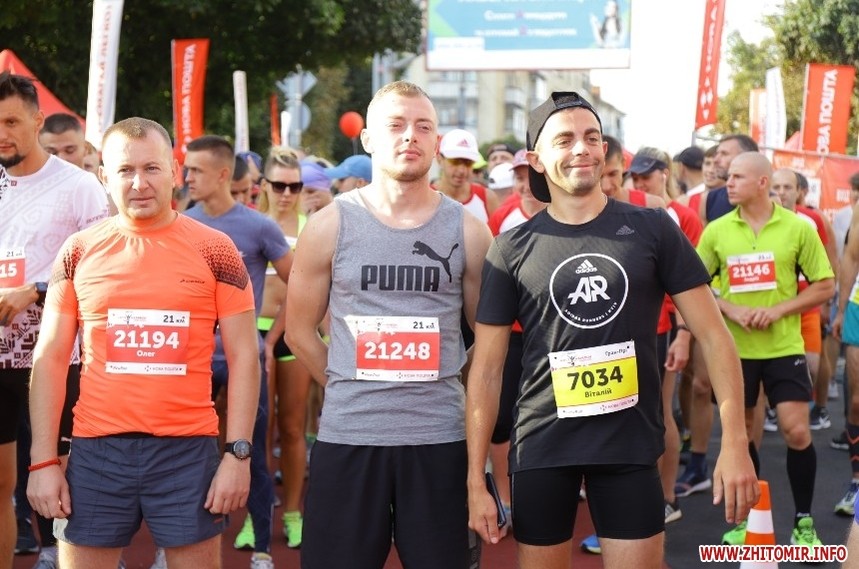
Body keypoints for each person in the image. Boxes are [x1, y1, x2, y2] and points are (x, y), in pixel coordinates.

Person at [465, 91, 757, 569]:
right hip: (543, 446)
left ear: (604, 149)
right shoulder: (510, 248)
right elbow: (487, 371)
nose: (581, 148)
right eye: (564, 140)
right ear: (536, 159)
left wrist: (736, 443)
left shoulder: (653, 228)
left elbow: (714, 336)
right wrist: (475, 479)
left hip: (629, 446)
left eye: (591, 137)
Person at [26, 117, 260, 569]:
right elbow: (50, 357)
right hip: (97, 451)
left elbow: (245, 357)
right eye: (125, 170)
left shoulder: (217, 250)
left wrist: (238, 454)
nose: (139, 183)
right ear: (103, 177)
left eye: (152, 168)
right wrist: (42, 462)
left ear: (174, 171)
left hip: (187, 451)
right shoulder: (77, 250)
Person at [284, 80, 492, 569]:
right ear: (369, 139)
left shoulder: (469, 231)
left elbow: (488, 345)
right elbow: (298, 332)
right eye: (395, 125)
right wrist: (349, 383)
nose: (410, 136)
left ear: (436, 143)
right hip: (349, 437)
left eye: (423, 127)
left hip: (439, 440)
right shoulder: (329, 225)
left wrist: (448, 385)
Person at [0, 71, 109, 569]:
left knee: (64, 487)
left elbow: (102, 267)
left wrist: (36, 290)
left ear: (37, 121)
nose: (2, 134)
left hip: (60, 357)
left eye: (11, 122)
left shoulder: (79, 187)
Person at [696, 152, 834, 548]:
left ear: (762, 183)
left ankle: (804, 523)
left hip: (783, 347)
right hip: (735, 351)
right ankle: (750, 521)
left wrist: (778, 310)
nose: (728, 183)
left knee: (796, 430)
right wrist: (731, 308)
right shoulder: (717, 231)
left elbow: (825, 285)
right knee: (742, 437)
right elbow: (696, 286)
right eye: (728, 176)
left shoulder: (798, 227)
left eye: (737, 177)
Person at [182, 134, 293, 569]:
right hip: (193, 362)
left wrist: (271, 339)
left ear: (224, 175)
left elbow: (300, 283)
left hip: (244, 359)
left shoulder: (259, 226)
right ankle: (177, 547)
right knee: (189, 457)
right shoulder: (182, 223)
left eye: (196, 170)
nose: (187, 177)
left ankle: (262, 550)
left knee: (251, 453)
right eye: (187, 169)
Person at [434, 128, 500, 222]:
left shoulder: (487, 197)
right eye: (455, 161)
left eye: (468, 162)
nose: (462, 170)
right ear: (439, 159)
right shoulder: (423, 197)